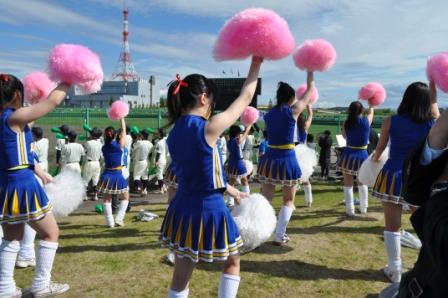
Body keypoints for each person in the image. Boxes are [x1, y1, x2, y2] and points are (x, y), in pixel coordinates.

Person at [160, 57, 262, 298]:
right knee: (232, 263)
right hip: (209, 208)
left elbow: (203, 172)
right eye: (211, 102)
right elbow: (245, 98)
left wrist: (232, 190)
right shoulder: (209, 127)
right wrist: (256, 64)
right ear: (203, 98)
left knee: (182, 274)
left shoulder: (173, 134)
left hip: (183, 207)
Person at [0, 74, 70, 297]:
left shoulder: (8, 120)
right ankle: (41, 285)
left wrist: (41, 172)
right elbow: (53, 103)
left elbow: (26, 131)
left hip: (8, 184)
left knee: (11, 238)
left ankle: (5, 289)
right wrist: (69, 78)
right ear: (17, 94)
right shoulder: (13, 118)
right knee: (51, 233)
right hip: (23, 185)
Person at [372, 81, 439, 283]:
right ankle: (429, 268)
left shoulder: (390, 121)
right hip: (419, 179)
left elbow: (380, 149)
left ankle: (395, 271)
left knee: (392, 226)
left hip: (392, 175)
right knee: (425, 225)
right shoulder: (433, 124)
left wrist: (373, 160)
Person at [256, 72, 315, 245]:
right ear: (291, 98)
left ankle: (260, 233)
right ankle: (280, 235)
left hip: (269, 159)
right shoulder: (292, 111)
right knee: (288, 200)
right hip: (287, 159)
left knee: (265, 199)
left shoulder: (268, 115)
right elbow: (310, 91)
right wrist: (310, 71)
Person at [336, 101, 374, 216]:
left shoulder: (347, 122)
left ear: (350, 110)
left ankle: (350, 210)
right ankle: (364, 208)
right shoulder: (367, 120)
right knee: (362, 182)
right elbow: (372, 110)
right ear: (362, 110)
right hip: (363, 154)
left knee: (348, 183)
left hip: (348, 154)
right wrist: (371, 103)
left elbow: (344, 136)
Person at [98, 119, 130, 228]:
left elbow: (121, 134)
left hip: (106, 174)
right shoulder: (118, 146)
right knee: (125, 197)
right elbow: (124, 131)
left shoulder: (104, 147)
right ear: (115, 135)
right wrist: (121, 118)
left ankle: (110, 223)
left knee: (107, 199)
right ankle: (119, 219)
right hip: (117, 174)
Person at [225, 124, 253, 206]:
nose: (240, 134)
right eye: (239, 133)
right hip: (238, 163)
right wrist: (248, 127)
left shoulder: (229, 141)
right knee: (244, 181)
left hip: (231, 162)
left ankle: (230, 201)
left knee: (231, 182)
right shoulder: (237, 140)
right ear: (237, 133)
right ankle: (247, 198)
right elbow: (245, 135)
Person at [297, 105, 314, 207]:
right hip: (303, 155)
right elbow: (311, 115)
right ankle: (309, 201)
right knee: (305, 179)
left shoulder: (291, 127)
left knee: (292, 180)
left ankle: (289, 203)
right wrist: (308, 105)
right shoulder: (305, 128)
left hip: (293, 154)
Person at [82, 127, 103, 201]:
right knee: (95, 181)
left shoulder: (87, 143)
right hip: (97, 163)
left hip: (89, 163)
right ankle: (95, 196)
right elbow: (101, 156)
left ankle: (85, 196)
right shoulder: (100, 144)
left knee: (85, 180)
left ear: (91, 134)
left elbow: (83, 152)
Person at [132, 129, 153, 195]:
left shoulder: (139, 142)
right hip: (146, 161)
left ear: (142, 136)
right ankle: (144, 190)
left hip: (139, 162)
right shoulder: (150, 143)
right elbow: (151, 154)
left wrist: (137, 139)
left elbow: (133, 147)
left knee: (136, 176)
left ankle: (139, 187)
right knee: (145, 176)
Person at [155, 129, 168, 194]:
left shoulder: (159, 142)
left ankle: (161, 190)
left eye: (157, 133)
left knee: (159, 175)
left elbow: (158, 153)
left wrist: (156, 161)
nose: (156, 134)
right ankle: (164, 188)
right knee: (162, 174)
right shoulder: (166, 141)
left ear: (160, 134)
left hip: (160, 159)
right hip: (165, 159)